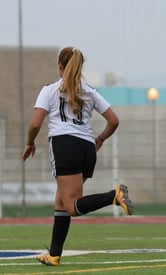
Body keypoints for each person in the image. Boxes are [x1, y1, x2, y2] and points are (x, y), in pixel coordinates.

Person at [22, 47, 133, 266]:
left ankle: (114, 195)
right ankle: (54, 255)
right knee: (61, 201)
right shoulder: (90, 91)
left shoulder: (50, 90)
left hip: (65, 146)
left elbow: (35, 123)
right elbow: (114, 121)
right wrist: (99, 139)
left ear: (60, 67)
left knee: (71, 206)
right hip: (86, 148)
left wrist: (29, 142)